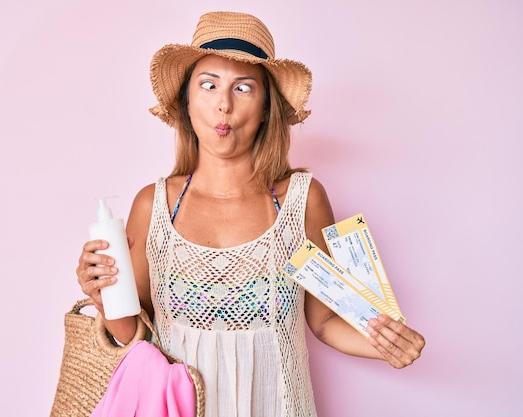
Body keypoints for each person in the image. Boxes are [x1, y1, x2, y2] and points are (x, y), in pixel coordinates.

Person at [76, 11, 425, 417]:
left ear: (265, 108)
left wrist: (386, 345)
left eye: (244, 87)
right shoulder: (151, 205)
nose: (223, 104)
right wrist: (102, 298)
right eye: (208, 85)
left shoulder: (303, 200)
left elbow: (326, 320)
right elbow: (134, 336)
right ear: (188, 102)